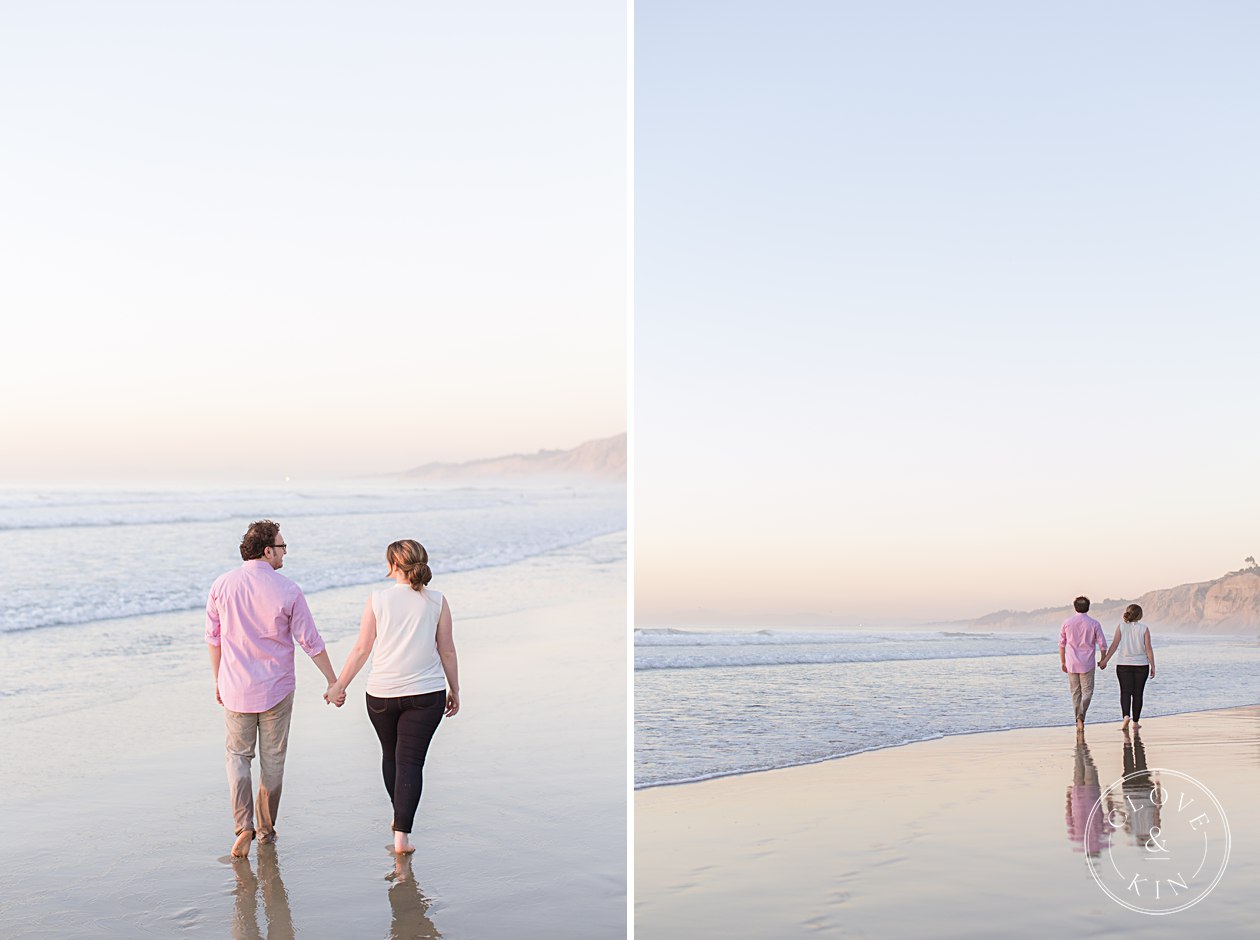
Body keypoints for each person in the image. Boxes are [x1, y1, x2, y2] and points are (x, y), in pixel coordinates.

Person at [206, 519, 340, 858]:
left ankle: (243, 826)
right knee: (273, 761)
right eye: (282, 547)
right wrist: (332, 680)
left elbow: (213, 638)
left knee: (237, 757)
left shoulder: (221, 585)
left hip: (235, 685)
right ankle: (265, 831)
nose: (285, 554)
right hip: (276, 689)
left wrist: (218, 678)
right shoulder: (288, 590)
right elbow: (310, 641)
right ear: (267, 551)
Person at [326, 539, 460, 855]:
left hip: (381, 694)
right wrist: (456, 689)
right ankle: (402, 835)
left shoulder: (377, 600)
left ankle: (398, 814)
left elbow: (362, 648)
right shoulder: (437, 601)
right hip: (426, 694)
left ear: (392, 566)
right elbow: (448, 649)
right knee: (411, 761)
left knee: (391, 756)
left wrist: (339, 685)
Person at [1100, 603, 1155, 730]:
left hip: (1123, 664)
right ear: (1140, 615)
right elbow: (1148, 649)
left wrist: (1105, 661)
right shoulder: (1144, 628)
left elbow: (1114, 645)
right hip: (1141, 665)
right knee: (1138, 694)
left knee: (1125, 692)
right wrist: (1153, 666)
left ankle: (1125, 716)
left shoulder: (1121, 627)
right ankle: (1135, 722)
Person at [1059, 595, 1108, 732]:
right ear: (1088, 607)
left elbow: (1061, 644)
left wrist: (1063, 661)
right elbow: (1102, 644)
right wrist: (1103, 659)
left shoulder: (1067, 623)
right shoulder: (1094, 623)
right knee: (1087, 692)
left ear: (1075, 607)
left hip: (1072, 663)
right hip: (1087, 663)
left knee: (1075, 692)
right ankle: (1081, 716)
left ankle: (1078, 719)